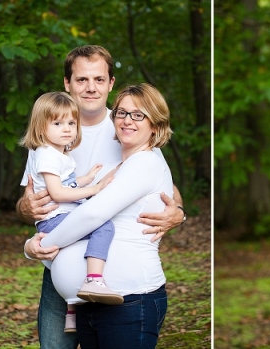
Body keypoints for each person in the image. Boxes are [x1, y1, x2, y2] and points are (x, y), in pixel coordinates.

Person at [16, 45, 186, 348]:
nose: (90, 87)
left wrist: (179, 212)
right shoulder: (47, 136)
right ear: (67, 84)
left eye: (98, 79)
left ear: (110, 83)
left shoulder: (128, 127)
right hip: (59, 269)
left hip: (109, 275)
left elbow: (164, 188)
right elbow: (31, 198)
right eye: (81, 80)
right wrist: (25, 209)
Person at [39, 83, 173, 348]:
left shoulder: (146, 163)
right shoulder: (109, 169)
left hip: (131, 301)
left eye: (138, 115)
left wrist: (37, 247)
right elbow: (64, 205)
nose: (127, 120)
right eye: (121, 113)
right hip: (89, 305)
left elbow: (92, 215)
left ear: (155, 125)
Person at [19, 91, 121, 333]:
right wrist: (95, 188)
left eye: (71, 123)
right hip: (57, 219)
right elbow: (57, 193)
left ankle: (72, 313)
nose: (67, 129)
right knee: (104, 227)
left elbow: (68, 184)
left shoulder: (57, 154)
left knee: (72, 260)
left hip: (58, 218)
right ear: (41, 127)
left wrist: (86, 177)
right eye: (58, 123)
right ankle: (94, 279)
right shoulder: (47, 155)